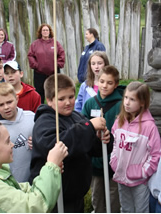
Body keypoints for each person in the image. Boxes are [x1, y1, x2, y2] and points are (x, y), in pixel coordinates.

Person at [29, 73, 113, 213]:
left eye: (71, 97)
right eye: (61, 99)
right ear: (49, 100)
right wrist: (89, 127)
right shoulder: (44, 122)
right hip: (55, 197)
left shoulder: (77, 117)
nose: (68, 102)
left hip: (75, 194)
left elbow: (91, 148)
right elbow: (59, 146)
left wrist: (102, 139)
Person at [0, 120, 68, 213]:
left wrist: (51, 171)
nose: (12, 144)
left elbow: (29, 190)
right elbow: (35, 207)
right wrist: (51, 165)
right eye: (7, 142)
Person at [110, 81, 161, 213]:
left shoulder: (149, 127)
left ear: (142, 103)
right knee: (126, 209)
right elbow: (115, 142)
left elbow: (155, 154)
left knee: (141, 210)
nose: (127, 102)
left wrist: (143, 172)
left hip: (139, 181)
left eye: (132, 99)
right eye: (126, 97)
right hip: (121, 176)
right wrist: (114, 162)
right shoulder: (119, 121)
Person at [82, 65, 125, 213]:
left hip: (114, 160)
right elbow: (83, 126)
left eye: (109, 83)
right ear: (97, 81)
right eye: (102, 81)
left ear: (116, 84)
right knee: (97, 195)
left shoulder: (121, 105)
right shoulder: (90, 103)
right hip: (96, 160)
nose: (104, 85)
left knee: (113, 196)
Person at [0, 82, 35, 182]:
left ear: (17, 99)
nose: (6, 107)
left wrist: (37, 143)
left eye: (9, 102)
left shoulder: (32, 118)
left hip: (34, 179)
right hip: (11, 183)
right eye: (1, 104)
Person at [28, 23, 65, 104]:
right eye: (43, 30)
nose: (45, 32)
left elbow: (61, 54)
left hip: (53, 73)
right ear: (41, 32)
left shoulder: (55, 43)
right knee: (40, 93)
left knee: (55, 91)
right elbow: (30, 55)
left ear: (49, 32)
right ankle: (40, 109)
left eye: (47, 30)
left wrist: (58, 64)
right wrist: (35, 65)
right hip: (39, 74)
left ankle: (55, 107)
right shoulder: (35, 44)